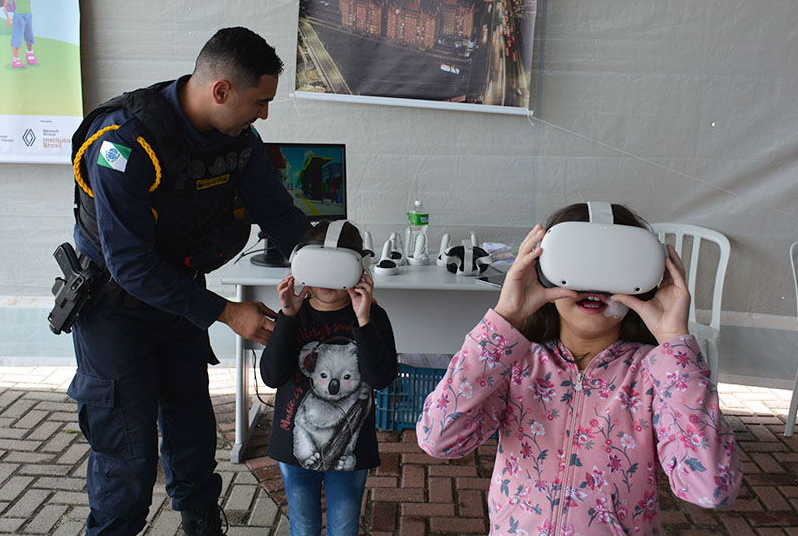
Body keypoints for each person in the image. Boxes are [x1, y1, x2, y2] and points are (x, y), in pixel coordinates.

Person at [67, 26, 309, 536]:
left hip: (176, 303)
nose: (264, 113)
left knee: (193, 430)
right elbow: (130, 266)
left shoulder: (237, 140)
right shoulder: (123, 143)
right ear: (221, 90)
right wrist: (226, 311)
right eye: (259, 101)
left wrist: (326, 272)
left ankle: (201, 523)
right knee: (128, 452)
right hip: (113, 311)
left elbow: (279, 216)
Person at [417, 203, 743, 535]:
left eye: (615, 267)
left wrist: (674, 342)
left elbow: (712, 486)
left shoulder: (657, 375)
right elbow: (439, 438)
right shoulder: (515, 363)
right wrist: (505, 319)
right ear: (542, 268)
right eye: (578, 262)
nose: (594, 285)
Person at [260, 220, 398, 536]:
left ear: (359, 268)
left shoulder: (373, 317)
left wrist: (363, 321)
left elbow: (381, 378)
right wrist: (287, 318)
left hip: (352, 451)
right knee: (304, 526)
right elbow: (271, 376)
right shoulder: (294, 314)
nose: (327, 281)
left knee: (344, 528)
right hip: (294, 449)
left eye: (338, 270)